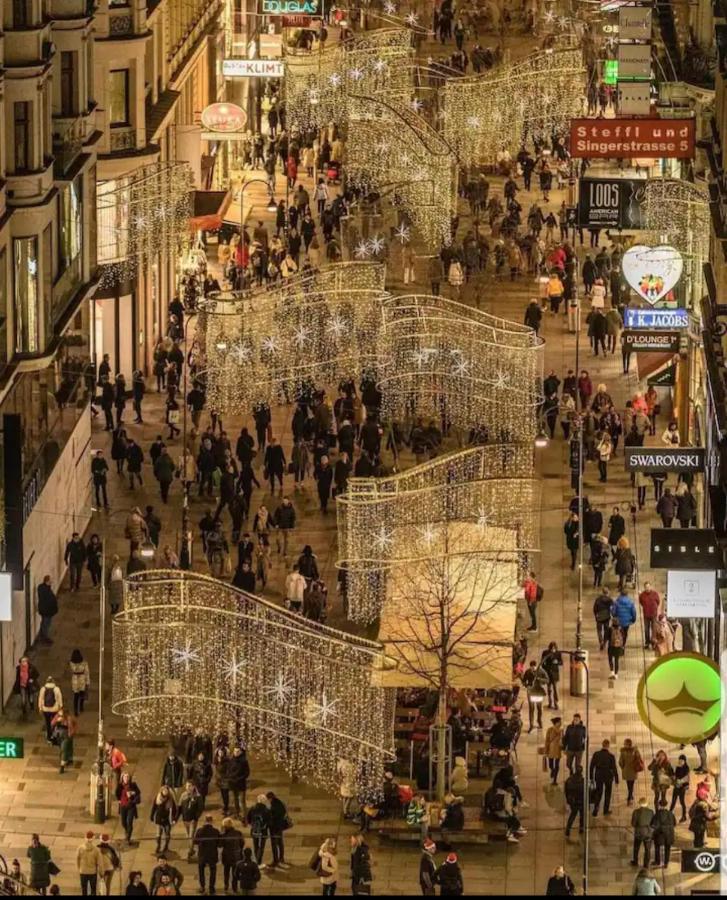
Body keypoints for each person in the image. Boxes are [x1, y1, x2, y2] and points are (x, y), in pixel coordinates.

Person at [590, 738, 619, 816]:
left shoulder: (596, 754)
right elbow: (614, 768)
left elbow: (592, 766)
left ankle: (596, 808)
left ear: (602, 745)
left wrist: (591, 777)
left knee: (598, 792)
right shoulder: (611, 756)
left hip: (598, 775)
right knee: (608, 793)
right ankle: (605, 810)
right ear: (608, 746)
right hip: (608, 776)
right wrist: (616, 780)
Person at [194, 815, 220, 894]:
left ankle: (202, 887)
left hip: (202, 854)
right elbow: (219, 843)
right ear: (211, 821)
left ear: (205, 821)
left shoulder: (200, 831)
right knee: (213, 871)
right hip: (212, 854)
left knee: (201, 871)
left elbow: (195, 842)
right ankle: (211, 888)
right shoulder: (215, 831)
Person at [178, 781, 204, 860]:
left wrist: (196, 817)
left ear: (193, 787)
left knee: (191, 836)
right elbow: (179, 807)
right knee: (188, 834)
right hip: (185, 819)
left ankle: (189, 851)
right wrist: (176, 818)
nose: (188, 788)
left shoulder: (198, 796)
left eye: (190, 786)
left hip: (193, 820)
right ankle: (192, 849)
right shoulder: (183, 795)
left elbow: (200, 808)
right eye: (187, 786)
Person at [150, 786, 177, 855]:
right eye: (164, 791)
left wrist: (174, 819)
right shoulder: (158, 798)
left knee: (167, 833)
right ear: (161, 791)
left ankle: (166, 846)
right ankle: (158, 846)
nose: (165, 792)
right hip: (159, 819)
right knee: (158, 834)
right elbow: (154, 807)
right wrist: (152, 816)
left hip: (167, 819)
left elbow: (174, 809)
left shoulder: (170, 799)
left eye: (166, 791)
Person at [116, 771, 141, 844]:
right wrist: (119, 800)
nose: (126, 778)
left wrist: (133, 793)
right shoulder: (120, 786)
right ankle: (127, 831)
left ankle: (128, 837)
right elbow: (117, 793)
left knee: (129, 822)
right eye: (125, 777)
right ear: (122, 778)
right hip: (123, 806)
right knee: (123, 822)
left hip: (131, 806)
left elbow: (138, 792)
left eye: (127, 777)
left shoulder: (133, 785)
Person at [221, 817, 245, 892]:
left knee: (226, 872)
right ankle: (234, 887)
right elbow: (242, 843)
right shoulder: (238, 833)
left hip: (226, 856)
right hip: (236, 856)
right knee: (235, 873)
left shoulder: (224, 835)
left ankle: (226, 885)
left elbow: (220, 844)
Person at [267, 791, 290, 869]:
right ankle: (281, 858)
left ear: (270, 798)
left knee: (274, 845)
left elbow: (273, 817)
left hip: (275, 828)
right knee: (280, 843)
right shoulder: (280, 803)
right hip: (280, 827)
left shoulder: (274, 805)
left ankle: (275, 860)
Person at [247, 794, 271, 868]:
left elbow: (248, 818)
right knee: (262, 846)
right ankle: (259, 861)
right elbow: (269, 821)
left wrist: (252, 824)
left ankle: (257, 860)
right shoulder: (266, 810)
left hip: (254, 829)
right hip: (263, 830)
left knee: (256, 844)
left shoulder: (252, 808)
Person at [51, 706, 77, 774]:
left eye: (61, 711)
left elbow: (74, 724)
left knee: (64, 749)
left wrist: (72, 732)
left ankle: (62, 765)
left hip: (66, 735)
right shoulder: (57, 716)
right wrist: (57, 720)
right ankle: (68, 759)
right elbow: (52, 723)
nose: (59, 712)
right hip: (59, 735)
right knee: (63, 749)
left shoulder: (69, 718)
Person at [651, 798, 677, 867]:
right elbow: (674, 823)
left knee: (657, 847)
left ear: (659, 805)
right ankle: (666, 863)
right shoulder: (670, 813)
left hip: (660, 834)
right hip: (669, 834)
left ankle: (657, 861)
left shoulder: (657, 814)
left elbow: (653, 824)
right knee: (667, 848)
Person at [619, 738, 644, 806]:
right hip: (633, 770)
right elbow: (639, 758)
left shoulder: (623, 751)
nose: (624, 745)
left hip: (627, 771)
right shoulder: (635, 750)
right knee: (631, 785)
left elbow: (620, 762)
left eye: (625, 743)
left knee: (629, 785)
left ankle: (629, 799)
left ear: (627, 744)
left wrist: (623, 768)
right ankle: (630, 796)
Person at [76, 831, 103, 896]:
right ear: (93, 839)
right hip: (92, 872)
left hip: (83, 871)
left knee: (84, 889)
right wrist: (101, 873)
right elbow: (100, 863)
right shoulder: (96, 850)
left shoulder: (80, 848)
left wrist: (79, 869)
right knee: (93, 889)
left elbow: (77, 859)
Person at [631, 797, 655, 866]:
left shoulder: (636, 812)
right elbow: (652, 823)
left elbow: (633, 824)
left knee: (636, 848)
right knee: (647, 850)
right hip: (648, 833)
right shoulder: (651, 812)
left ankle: (635, 861)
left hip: (638, 833)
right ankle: (646, 864)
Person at [38, 676, 62, 742]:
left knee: (48, 723)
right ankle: (54, 735)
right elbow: (59, 699)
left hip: (45, 709)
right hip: (54, 709)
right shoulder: (56, 689)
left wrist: (40, 708)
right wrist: (60, 707)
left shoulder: (43, 689)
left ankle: (49, 736)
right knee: (55, 722)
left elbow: (40, 699)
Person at [564, 765, 585, 837]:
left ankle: (568, 828)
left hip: (572, 800)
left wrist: (568, 799)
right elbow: (584, 791)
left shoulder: (569, 780)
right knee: (582, 815)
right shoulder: (582, 781)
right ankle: (581, 828)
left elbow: (566, 791)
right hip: (580, 800)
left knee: (573, 814)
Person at [638, 582, 661, 649]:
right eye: (646, 587)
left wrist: (654, 608)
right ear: (644, 588)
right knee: (646, 629)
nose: (647, 588)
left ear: (650, 587)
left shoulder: (655, 594)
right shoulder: (642, 595)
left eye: (648, 587)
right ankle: (647, 642)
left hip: (653, 614)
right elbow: (641, 602)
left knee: (654, 629)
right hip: (646, 615)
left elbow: (658, 601)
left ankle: (653, 642)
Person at [69, 649, 90, 716]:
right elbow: (87, 672)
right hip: (82, 679)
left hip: (75, 679)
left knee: (76, 696)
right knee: (82, 694)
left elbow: (73, 670)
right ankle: (81, 707)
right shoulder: (84, 663)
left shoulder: (71, 663)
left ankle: (75, 710)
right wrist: (88, 681)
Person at [37, 576, 58, 643]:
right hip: (46, 610)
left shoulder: (44, 588)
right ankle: (44, 637)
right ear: (47, 581)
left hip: (46, 610)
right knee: (46, 624)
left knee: (44, 623)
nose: (51, 582)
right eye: (50, 581)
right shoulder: (45, 590)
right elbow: (47, 600)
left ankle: (42, 635)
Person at [671, 754, 690, 822]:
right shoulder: (678, 767)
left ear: (684, 761)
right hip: (676, 786)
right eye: (679, 760)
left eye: (682, 760)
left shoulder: (686, 768)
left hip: (682, 788)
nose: (680, 762)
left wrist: (682, 782)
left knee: (682, 802)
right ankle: (670, 814)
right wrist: (674, 778)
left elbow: (687, 778)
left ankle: (684, 816)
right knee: (673, 801)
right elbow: (676, 776)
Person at [544, 717, 563, 785]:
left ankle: (555, 779)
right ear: (556, 723)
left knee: (557, 765)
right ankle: (553, 770)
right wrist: (546, 751)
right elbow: (547, 741)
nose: (561, 723)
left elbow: (563, 740)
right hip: (551, 750)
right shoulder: (549, 730)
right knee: (551, 765)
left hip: (558, 750)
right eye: (559, 722)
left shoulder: (561, 731)